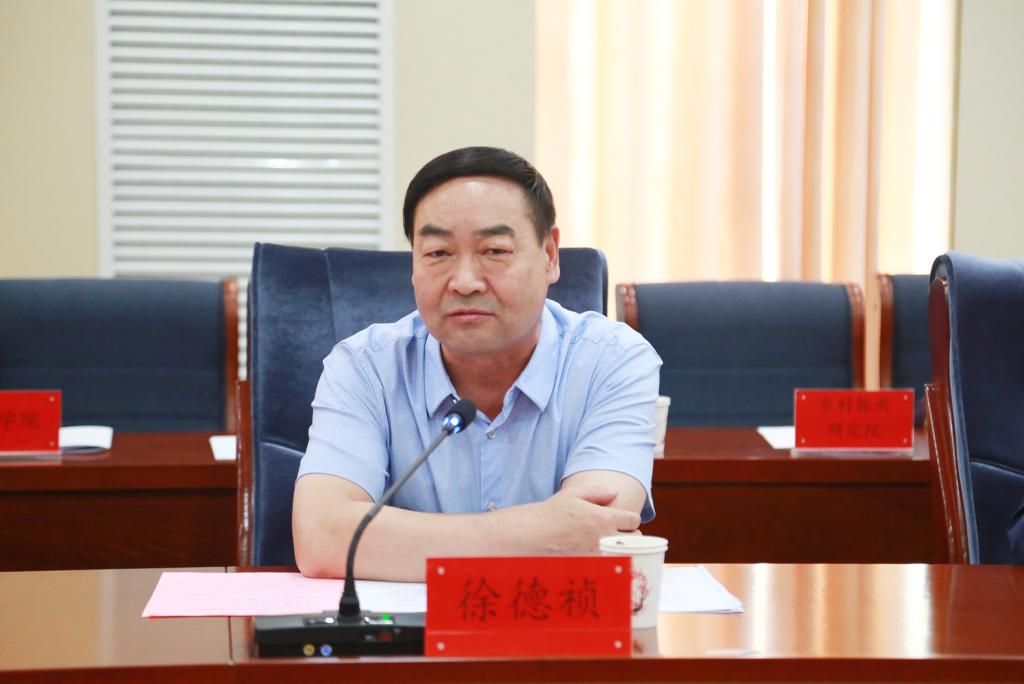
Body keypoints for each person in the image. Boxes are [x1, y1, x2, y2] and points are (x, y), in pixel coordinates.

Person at [292, 146, 662, 580]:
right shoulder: (364, 368)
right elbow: (321, 540)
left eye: (495, 250)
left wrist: (397, 543)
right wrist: (539, 532)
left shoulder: (612, 361)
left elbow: (599, 535)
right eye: (438, 253)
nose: (465, 282)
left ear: (549, 255)